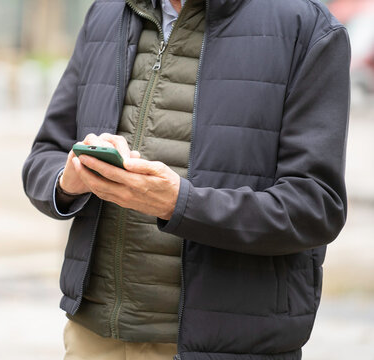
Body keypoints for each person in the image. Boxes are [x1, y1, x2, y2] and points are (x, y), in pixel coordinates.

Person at [22, 0, 351, 358]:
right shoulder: (108, 12)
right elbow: (45, 156)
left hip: (223, 344)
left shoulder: (307, 25)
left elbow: (315, 206)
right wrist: (69, 180)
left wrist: (179, 203)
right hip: (96, 336)